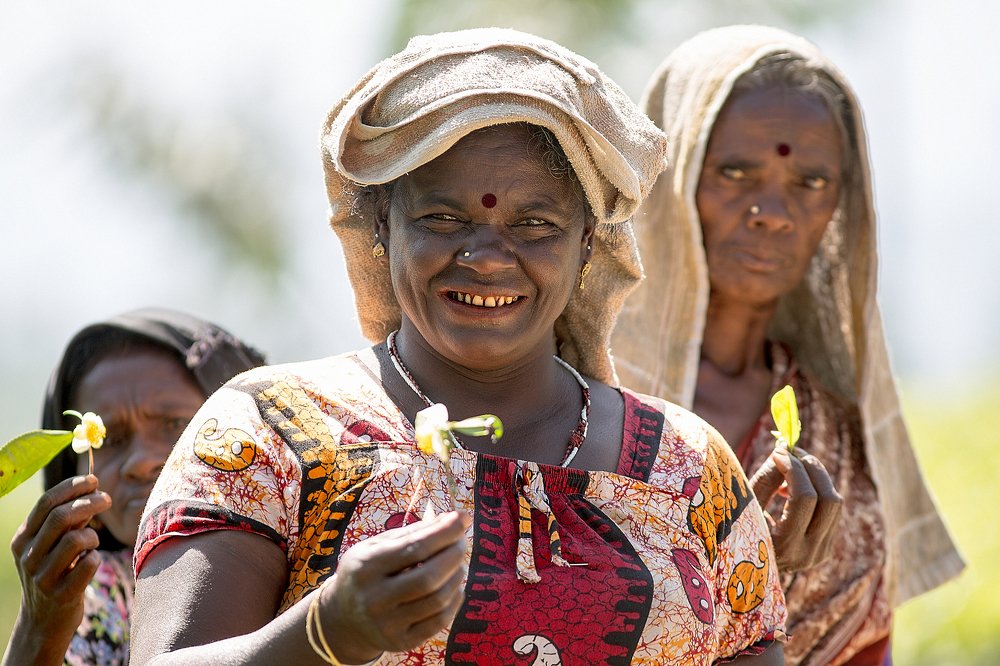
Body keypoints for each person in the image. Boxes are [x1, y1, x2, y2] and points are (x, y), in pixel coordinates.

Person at [129, 28, 786, 665]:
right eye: (443, 218)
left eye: (535, 224)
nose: (487, 258)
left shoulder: (689, 468)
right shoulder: (270, 432)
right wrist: (325, 634)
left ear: (587, 243)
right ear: (382, 224)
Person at [612, 25, 965, 665]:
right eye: (735, 172)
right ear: (670, 179)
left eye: (810, 182)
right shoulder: (571, 399)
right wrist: (741, 576)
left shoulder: (835, 432)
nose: (772, 211)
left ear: (839, 207)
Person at [3, 309, 265, 666]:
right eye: (109, 439)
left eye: (175, 423)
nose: (141, 461)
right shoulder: (91, 603)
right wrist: (38, 631)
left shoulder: (331, 548)